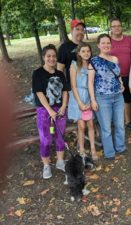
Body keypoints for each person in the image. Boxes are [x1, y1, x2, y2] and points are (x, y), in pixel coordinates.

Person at [32, 44, 69, 179]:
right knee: (46, 139)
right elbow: (39, 93)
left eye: (54, 56)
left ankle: (60, 161)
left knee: (60, 136)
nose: (52, 59)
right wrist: (49, 110)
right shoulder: (37, 73)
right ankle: (46, 165)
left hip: (59, 110)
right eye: (49, 56)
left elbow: (65, 91)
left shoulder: (60, 74)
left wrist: (64, 106)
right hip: (44, 110)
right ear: (43, 57)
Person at [88, 34, 126, 160]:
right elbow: (90, 82)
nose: (106, 45)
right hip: (102, 98)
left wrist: (121, 84)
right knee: (106, 127)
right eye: (103, 43)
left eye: (108, 43)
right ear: (98, 45)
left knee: (120, 124)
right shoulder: (93, 61)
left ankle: (120, 147)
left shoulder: (115, 59)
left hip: (118, 96)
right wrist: (93, 100)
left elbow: (118, 75)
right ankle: (109, 152)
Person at [67, 42, 98, 161]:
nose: (86, 53)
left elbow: (93, 84)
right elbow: (73, 86)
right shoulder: (74, 66)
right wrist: (79, 103)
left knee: (90, 124)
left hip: (89, 96)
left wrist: (91, 100)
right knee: (81, 125)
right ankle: (81, 149)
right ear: (79, 53)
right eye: (83, 51)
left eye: (88, 51)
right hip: (78, 97)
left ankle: (93, 148)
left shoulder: (92, 65)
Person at [109, 18, 131, 129]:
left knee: (127, 99)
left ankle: (128, 121)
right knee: (113, 100)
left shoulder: (128, 40)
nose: (116, 28)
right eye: (114, 26)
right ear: (111, 28)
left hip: (128, 74)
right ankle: (112, 121)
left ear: (121, 27)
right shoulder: (108, 41)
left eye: (118, 25)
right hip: (112, 76)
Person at [57, 19, 85, 89]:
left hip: (86, 85)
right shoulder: (64, 48)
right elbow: (60, 70)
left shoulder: (86, 47)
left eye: (82, 30)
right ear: (72, 31)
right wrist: (64, 88)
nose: (80, 32)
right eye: (77, 29)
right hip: (72, 87)